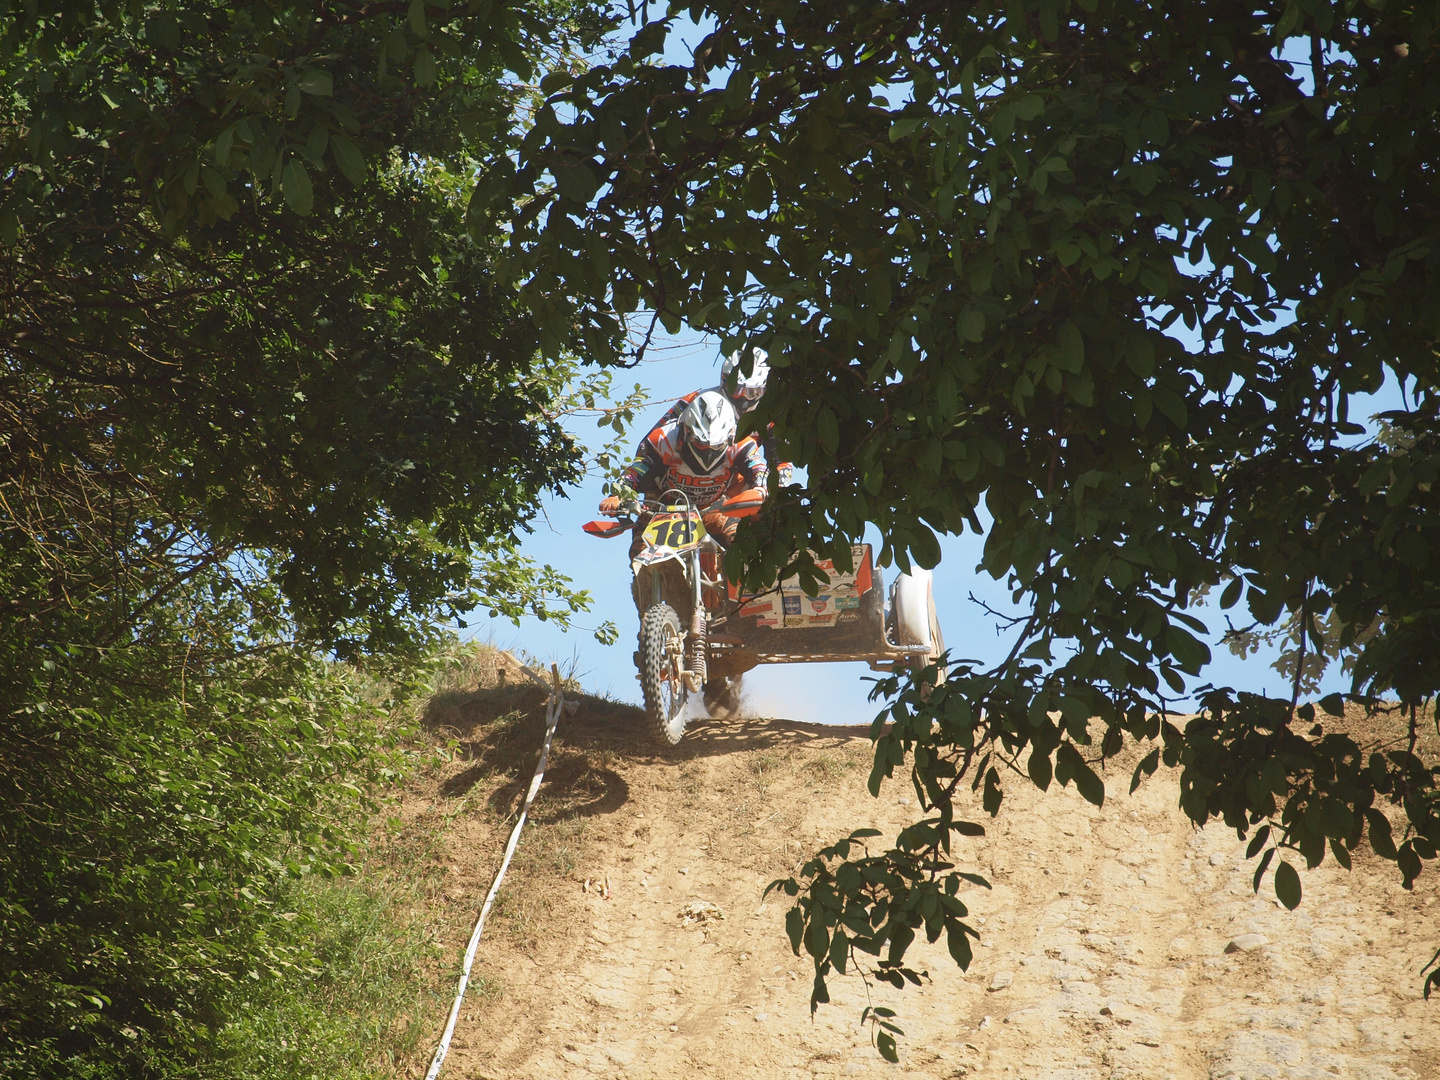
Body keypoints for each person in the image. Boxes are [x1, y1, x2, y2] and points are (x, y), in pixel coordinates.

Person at [598, 390, 766, 548]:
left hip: (713, 506)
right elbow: (637, 470)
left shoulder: (742, 443)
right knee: (640, 549)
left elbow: (759, 469)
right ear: (686, 431)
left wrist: (759, 490)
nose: (708, 451)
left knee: (741, 542)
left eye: (717, 445)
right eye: (700, 443)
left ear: (730, 436)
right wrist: (618, 495)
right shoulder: (663, 440)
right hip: (662, 504)